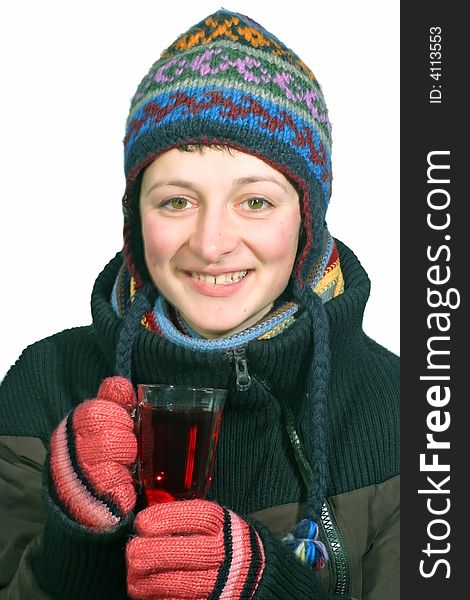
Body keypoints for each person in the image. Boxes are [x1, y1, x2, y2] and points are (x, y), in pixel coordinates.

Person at [0, 9, 399, 600]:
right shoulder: (43, 384)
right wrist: (75, 543)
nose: (211, 245)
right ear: (136, 219)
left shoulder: (406, 410)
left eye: (256, 202)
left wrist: (273, 588)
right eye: (176, 201)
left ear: (307, 221)